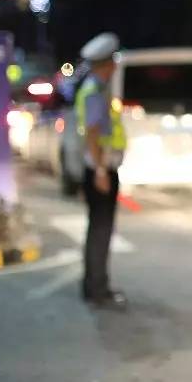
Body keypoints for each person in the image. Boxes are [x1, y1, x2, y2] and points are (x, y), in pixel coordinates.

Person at [76, 32, 128, 308]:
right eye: (113, 61)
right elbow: (93, 134)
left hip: (99, 167)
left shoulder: (95, 88)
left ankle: (92, 286)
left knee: (98, 228)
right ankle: (98, 289)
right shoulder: (95, 91)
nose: (115, 66)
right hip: (100, 169)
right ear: (105, 64)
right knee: (101, 230)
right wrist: (100, 171)